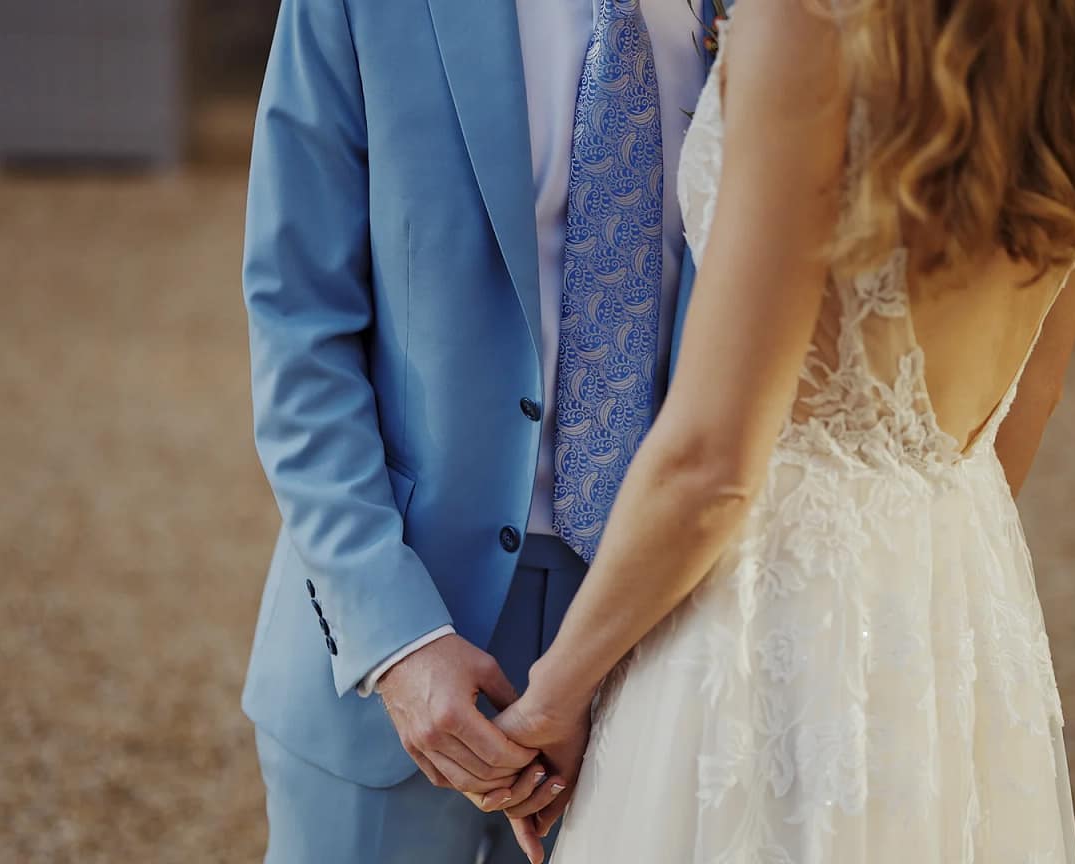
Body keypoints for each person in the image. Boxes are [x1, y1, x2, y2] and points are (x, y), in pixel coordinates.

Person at [485, 0, 1075, 861]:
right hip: (954, 603)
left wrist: (555, 695)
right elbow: (1035, 396)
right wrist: (907, 599)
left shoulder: (808, 21)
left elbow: (712, 462)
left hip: (762, 614)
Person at [237, 0, 712, 860]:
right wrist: (398, 639)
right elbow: (297, 320)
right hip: (402, 636)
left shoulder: (765, 21)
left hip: (659, 652)